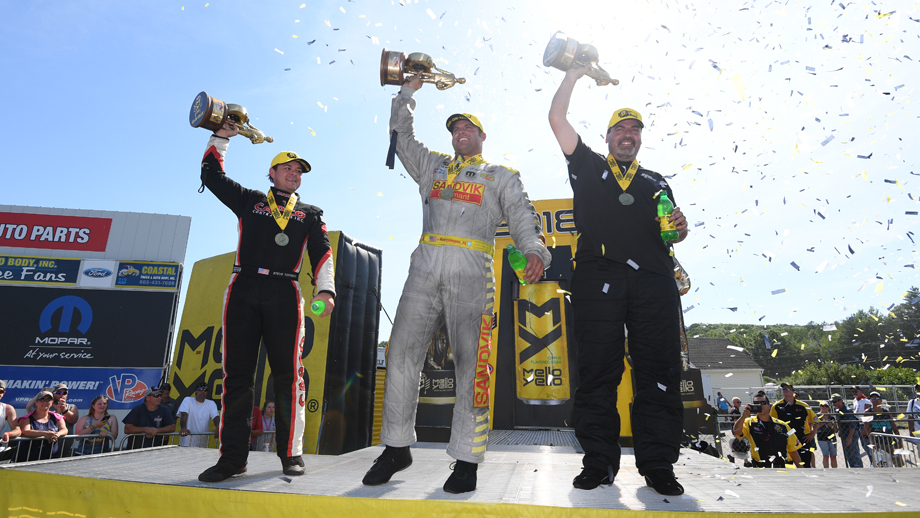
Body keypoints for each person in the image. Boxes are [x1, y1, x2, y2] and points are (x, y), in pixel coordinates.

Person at [363, 75, 551, 495]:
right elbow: (401, 137)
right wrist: (407, 93)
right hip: (425, 264)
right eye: (455, 129)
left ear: (482, 136)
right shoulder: (431, 166)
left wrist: (535, 250)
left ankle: (466, 460)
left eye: (468, 127)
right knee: (400, 354)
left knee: (473, 365)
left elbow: (523, 216)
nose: (460, 133)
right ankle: (396, 448)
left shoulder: (500, 175)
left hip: (473, 266)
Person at [548, 65, 688, 496]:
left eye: (634, 130)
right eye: (620, 129)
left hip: (653, 281)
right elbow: (556, 118)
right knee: (597, 371)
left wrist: (680, 229)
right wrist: (573, 74)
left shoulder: (656, 181)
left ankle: (658, 464)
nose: (628, 135)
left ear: (640, 139)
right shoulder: (588, 164)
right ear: (607, 136)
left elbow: (670, 232)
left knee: (659, 372)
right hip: (598, 278)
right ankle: (599, 461)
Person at [197, 119, 336, 483]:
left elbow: (322, 253)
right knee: (236, 377)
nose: (294, 174)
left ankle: (291, 453)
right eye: (287, 168)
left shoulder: (310, 214)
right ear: (272, 173)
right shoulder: (251, 200)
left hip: (285, 292)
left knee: (289, 376)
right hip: (243, 287)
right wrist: (221, 138)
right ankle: (232, 459)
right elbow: (212, 176)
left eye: (299, 171)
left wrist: (326, 290)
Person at [732, 392, 802, 468]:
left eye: (763, 403)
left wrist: (801, 469)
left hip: (784, 468)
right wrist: (743, 416)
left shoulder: (783, 425)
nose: (760, 405)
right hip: (761, 468)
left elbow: (793, 450)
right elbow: (737, 432)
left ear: (769, 406)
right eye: (756, 403)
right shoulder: (749, 423)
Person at [770, 383, 817, 468]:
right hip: (785, 440)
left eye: (787, 389)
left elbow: (816, 421)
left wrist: (812, 434)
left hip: (802, 439)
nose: (785, 390)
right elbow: (772, 423)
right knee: (787, 467)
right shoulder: (776, 406)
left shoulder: (803, 406)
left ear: (793, 392)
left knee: (805, 465)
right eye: (783, 389)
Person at [17, 389, 68, 461]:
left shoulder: (57, 417)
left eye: (48, 400)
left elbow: (64, 429)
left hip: (50, 458)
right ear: (36, 403)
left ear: (51, 402)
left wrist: (57, 434)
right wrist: (44, 433)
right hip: (28, 458)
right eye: (42, 399)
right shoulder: (27, 418)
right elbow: (25, 431)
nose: (45, 402)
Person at [863, 391, 902, 467]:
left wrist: (899, 439)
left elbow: (894, 426)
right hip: (879, 442)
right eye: (873, 398)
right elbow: (867, 428)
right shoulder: (868, 412)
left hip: (890, 440)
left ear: (881, 400)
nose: (875, 400)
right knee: (883, 463)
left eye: (877, 398)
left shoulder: (886, 412)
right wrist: (873, 442)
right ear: (870, 401)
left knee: (898, 463)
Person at [179, 382, 220, 448]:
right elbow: (184, 414)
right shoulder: (188, 400)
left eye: (205, 390)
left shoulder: (211, 404)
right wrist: (183, 428)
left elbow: (215, 417)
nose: (203, 391)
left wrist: (218, 428)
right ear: (196, 391)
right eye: (200, 389)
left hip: (201, 444)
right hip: (186, 443)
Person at [830, 393, 862, 468]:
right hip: (844, 435)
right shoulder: (838, 411)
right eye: (832, 402)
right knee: (848, 455)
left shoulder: (847, 411)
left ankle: (859, 468)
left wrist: (850, 437)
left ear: (840, 401)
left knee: (854, 454)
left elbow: (852, 426)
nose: (833, 403)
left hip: (851, 435)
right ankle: (853, 468)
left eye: (835, 401)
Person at [851, 386, 873, 464]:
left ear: (860, 391)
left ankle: (873, 462)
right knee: (864, 445)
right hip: (858, 424)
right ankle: (872, 461)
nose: (854, 393)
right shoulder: (855, 400)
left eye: (856, 391)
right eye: (853, 391)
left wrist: (865, 427)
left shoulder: (865, 401)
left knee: (868, 445)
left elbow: (867, 415)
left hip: (864, 424)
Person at [814, 402, 838, 468]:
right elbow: (814, 429)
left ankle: (835, 470)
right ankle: (826, 470)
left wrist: (831, 426)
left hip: (832, 438)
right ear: (820, 406)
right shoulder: (816, 416)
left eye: (826, 406)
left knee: (833, 456)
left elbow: (836, 430)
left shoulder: (831, 417)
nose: (824, 407)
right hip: (822, 438)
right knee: (825, 455)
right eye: (822, 406)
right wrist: (822, 424)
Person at [0, 379, 21, 445]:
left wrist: (8, 434)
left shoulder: (7, 409)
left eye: (0, 391)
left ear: (3, 393)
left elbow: (18, 430)